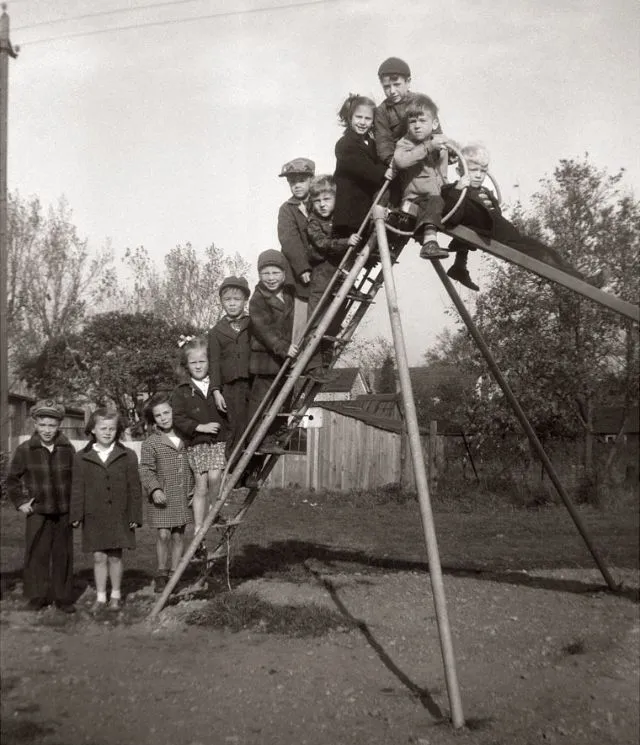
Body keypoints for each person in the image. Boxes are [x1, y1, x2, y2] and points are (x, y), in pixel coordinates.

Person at [443, 143, 596, 288]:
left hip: (512, 237)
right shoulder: (455, 191)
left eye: (482, 171)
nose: (478, 175)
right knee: (542, 256)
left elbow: (496, 214)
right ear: (460, 172)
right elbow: (451, 219)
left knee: (548, 251)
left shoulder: (484, 192)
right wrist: (458, 189)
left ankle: (582, 278)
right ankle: (584, 282)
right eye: (473, 170)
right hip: (500, 239)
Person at [70, 407, 142, 612]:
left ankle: (116, 596)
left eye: (112, 428)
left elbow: (134, 488)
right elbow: (77, 488)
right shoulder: (81, 457)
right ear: (92, 430)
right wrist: (76, 514)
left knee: (115, 556)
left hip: (119, 514)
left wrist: (135, 515)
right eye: (103, 428)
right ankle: (101, 597)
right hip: (94, 515)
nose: (107, 432)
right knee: (99, 556)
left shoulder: (127, 455)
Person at [7, 400, 76, 613]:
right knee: (37, 553)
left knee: (62, 553)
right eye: (43, 425)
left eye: (52, 425)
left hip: (63, 510)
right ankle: (37, 596)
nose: (47, 430)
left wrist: (76, 507)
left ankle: (62, 597)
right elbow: (12, 479)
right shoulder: (25, 449)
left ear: (59, 426)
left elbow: (76, 479)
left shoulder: (67, 448)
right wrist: (20, 502)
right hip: (37, 511)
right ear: (35, 424)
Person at [171, 335, 226, 559]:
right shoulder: (182, 390)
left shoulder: (217, 386)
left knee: (215, 478)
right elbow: (178, 418)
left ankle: (215, 512)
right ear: (187, 366)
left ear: (209, 362)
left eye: (202, 361)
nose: (198, 366)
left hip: (218, 442)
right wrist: (200, 427)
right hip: (197, 444)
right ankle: (199, 532)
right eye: (193, 362)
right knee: (201, 487)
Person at [306, 174, 360, 377]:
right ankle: (313, 364)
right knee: (317, 318)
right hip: (322, 273)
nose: (322, 205)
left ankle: (326, 360)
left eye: (326, 199)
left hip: (341, 275)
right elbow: (322, 244)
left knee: (336, 318)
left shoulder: (341, 219)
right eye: (317, 200)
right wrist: (346, 242)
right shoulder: (314, 222)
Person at [139, 394, 192, 593]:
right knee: (163, 534)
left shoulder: (186, 437)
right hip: (163, 496)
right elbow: (145, 469)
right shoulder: (151, 442)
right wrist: (154, 489)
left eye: (166, 412)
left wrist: (195, 487)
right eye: (158, 415)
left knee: (178, 535)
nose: (163, 418)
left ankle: (174, 573)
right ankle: (161, 573)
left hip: (183, 494)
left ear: (173, 412)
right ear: (154, 419)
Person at [248, 249, 298, 455]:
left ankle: (277, 434)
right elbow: (265, 331)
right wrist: (284, 348)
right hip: (266, 359)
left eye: (275, 273)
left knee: (285, 398)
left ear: (284, 274)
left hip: (287, 359)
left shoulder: (290, 294)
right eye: (265, 273)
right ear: (259, 275)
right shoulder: (257, 299)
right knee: (263, 402)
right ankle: (259, 440)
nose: (270, 278)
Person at [392, 93, 453, 260]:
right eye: (412, 122)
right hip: (416, 199)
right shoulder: (405, 144)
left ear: (434, 124)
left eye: (422, 121)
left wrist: (454, 151)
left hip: (437, 196)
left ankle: (462, 256)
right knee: (434, 201)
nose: (417, 126)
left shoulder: (438, 141)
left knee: (462, 198)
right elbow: (401, 161)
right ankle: (429, 243)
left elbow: (453, 150)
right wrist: (428, 147)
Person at [332, 94, 387, 240]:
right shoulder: (345, 145)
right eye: (359, 117)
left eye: (368, 118)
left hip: (364, 212)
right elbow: (372, 173)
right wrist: (387, 169)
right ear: (350, 118)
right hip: (349, 217)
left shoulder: (371, 144)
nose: (363, 122)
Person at [208, 276, 251, 460]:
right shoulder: (216, 331)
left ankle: (251, 469)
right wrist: (216, 391)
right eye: (227, 300)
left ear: (245, 301)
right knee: (235, 425)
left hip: (251, 382)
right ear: (221, 302)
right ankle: (234, 467)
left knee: (252, 423)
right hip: (230, 387)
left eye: (237, 299)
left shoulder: (253, 324)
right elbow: (214, 362)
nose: (232, 304)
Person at [374, 57, 442, 167]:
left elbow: (436, 132)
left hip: (428, 159)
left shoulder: (421, 102)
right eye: (387, 87)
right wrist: (392, 163)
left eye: (396, 85)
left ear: (408, 82)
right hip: (401, 164)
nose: (392, 91)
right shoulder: (382, 111)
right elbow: (384, 143)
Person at [277, 157, 316, 342]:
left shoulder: (321, 202)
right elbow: (289, 240)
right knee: (301, 311)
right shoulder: (287, 209)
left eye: (301, 181)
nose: (297, 186)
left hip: (323, 265)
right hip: (301, 272)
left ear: (311, 180)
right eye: (292, 182)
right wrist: (302, 268)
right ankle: (298, 353)